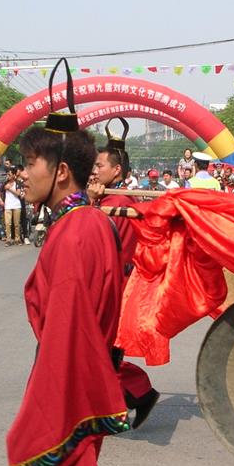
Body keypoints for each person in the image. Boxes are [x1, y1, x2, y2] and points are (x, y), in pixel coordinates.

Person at [9, 106, 156, 466]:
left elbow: (68, 340)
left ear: (60, 171)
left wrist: (42, 418)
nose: (22, 173)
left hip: (69, 392)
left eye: (29, 163)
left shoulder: (76, 232)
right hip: (79, 380)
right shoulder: (84, 222)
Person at [87, 126, 160, 428]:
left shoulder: (118, 205)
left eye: (99, 166)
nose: (94, 171)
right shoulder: (113, 201)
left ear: (117, 170)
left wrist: (91, 204)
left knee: (100, 352)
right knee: (98, 351)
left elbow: (94, 241)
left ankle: (138, 394)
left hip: (113, 287)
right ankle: (128, 399)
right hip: (110, 284)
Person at [2, 170, 24, 245]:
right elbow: (1, 190)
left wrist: (10, 189)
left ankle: (17, 238)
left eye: (10, 174)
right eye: (7, 174)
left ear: (14, 175)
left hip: (16, 205)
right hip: (8, 205)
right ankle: (8, 239)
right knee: (7, 223)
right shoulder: (5, 183)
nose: (8, 176)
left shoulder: (18, 183)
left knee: (16, 224)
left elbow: (18, 193)